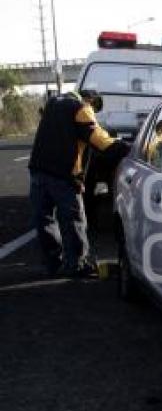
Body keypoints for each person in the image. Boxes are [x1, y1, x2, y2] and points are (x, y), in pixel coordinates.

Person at [28, 89, 130, 277]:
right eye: (94, 106)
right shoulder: (81, 108)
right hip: (63, 176)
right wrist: (128, 147)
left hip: (38, 171)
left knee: (44, 221)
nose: (93, 111)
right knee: (73, 221)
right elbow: (101, 142)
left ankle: (53, 264)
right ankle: (76, 265)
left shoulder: (52, 105)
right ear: (89, 100)